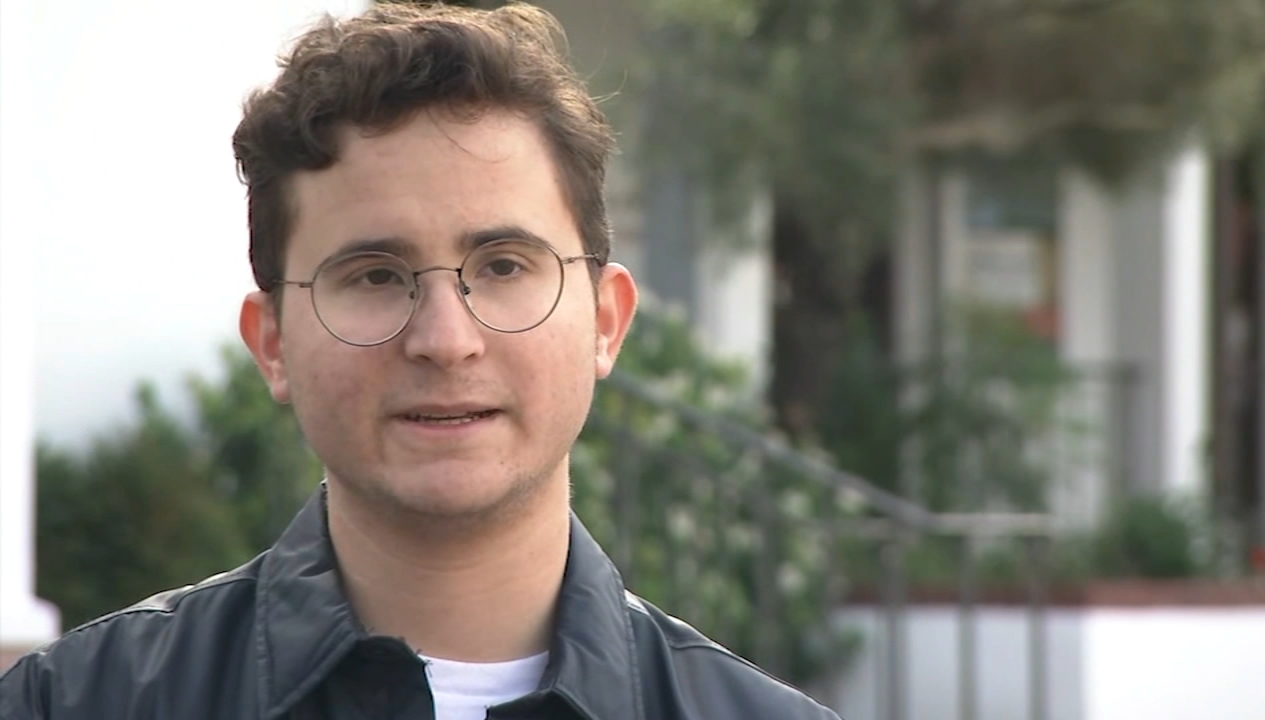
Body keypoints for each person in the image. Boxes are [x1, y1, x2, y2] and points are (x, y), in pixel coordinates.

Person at [0, 4, 843, 719]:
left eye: (503, 266)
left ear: (605, 321)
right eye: (375, 275)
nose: (445, 339)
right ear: (274, 343)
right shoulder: (72, 703)